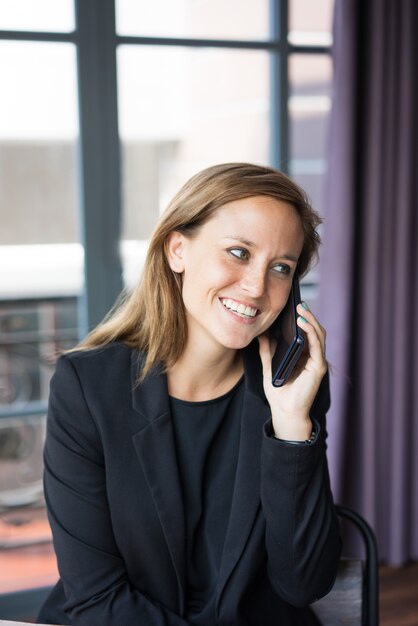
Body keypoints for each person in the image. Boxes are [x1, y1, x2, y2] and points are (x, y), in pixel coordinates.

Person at [38, 162, 341, 626]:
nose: (258, 287)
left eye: (281, 267)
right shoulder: (88, 389)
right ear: (178, 249)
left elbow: (302, 584)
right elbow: (96, 596)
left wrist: (292, 428)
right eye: (239, 253)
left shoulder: (293, 392)